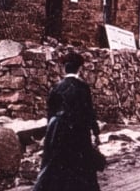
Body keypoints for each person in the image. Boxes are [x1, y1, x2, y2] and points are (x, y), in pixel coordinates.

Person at [36, 51, 103, 191]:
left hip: (58, 129)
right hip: (78, 129)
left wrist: (48, 133)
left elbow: (50, 112)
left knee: (56, 163)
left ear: (63, 68)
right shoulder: (83, 87)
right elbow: (89, 112)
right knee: (80, 164)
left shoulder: (56, 88)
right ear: (79, 69)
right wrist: (96, 132)